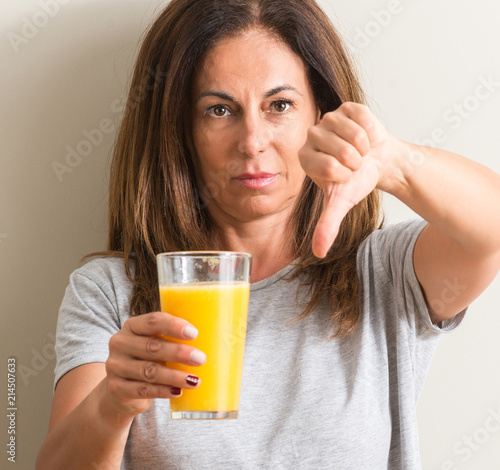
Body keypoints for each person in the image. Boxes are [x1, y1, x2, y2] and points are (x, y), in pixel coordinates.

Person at [36, 0, 500, 469]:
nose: (253, 140)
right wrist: (111, 406)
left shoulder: (384, 273)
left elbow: (492, 229)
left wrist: (393, 162)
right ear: (181, 129)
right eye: (219, 110)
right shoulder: (110, 290)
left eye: (280, 105)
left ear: (319, 115)